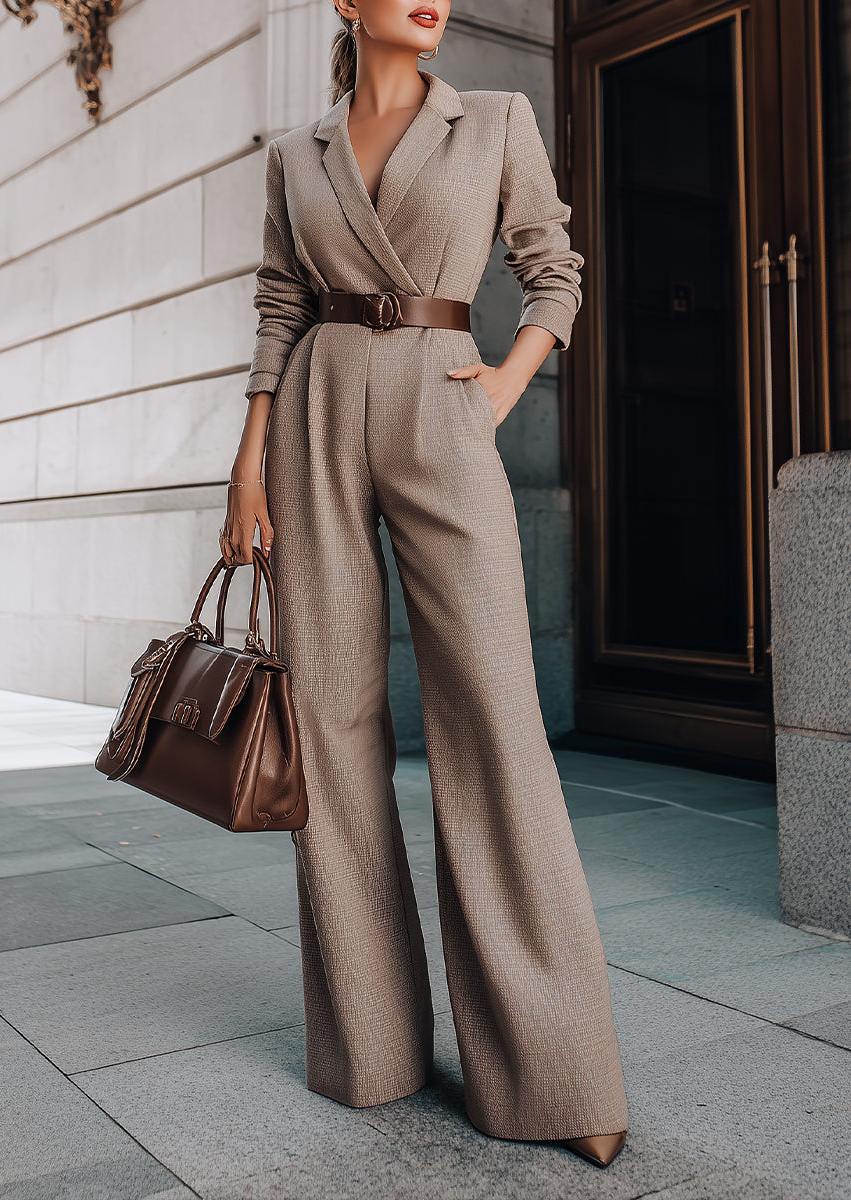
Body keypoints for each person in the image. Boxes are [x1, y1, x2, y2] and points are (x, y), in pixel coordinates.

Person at [220, 0, 629, 1170]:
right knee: (333, 729)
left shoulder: (496, 118)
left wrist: (495, 393)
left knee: (494, 720)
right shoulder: (294, 156)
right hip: (314, 417)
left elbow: (553, 273)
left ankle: (556, 1070)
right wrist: (248, 462)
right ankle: (372, 1047)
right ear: (344, 2)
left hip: (442, 404)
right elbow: (279, 307)